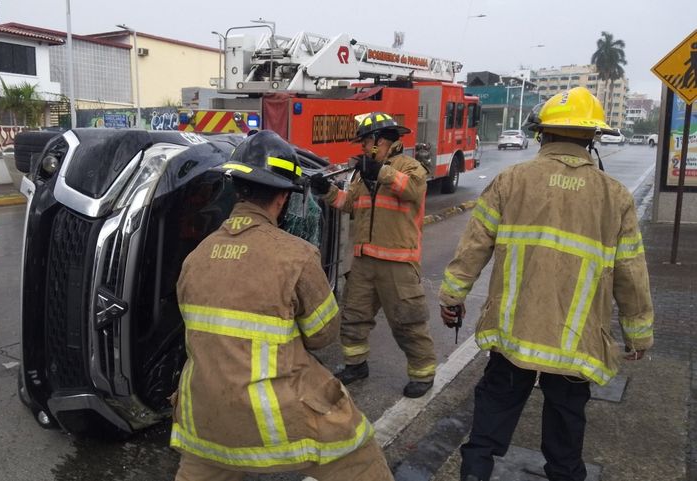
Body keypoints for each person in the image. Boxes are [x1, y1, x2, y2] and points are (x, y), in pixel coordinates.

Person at [438, 87, 654, 481]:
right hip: (576, 341)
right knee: (566, 432)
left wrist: (452, 296)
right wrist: (638, 335)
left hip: (513, 334)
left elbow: (473, 247)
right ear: (592, 137)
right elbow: (632, 274)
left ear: (543, 133)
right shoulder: (615, 196)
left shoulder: (511, 180)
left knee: (488, 425)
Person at [171, 130, 394, 481]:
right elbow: (323, 336)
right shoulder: (298, 256)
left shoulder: (195, 258)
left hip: (202, 419)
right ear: (282, 199)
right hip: (271, 419)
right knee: (359, 452)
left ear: (238, 190)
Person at [310, 112, 437, 398]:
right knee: (354, 317)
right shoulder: (362, 173)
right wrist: (326, 192)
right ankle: (356, 364)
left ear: (382, 141)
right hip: (365, 261)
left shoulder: (410, 166)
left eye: (367, 142)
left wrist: (380, 171)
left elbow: (414, 190)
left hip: (398, 264)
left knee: (408, 322)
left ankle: (423, 373)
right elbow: (349, 204)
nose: (363, 148)